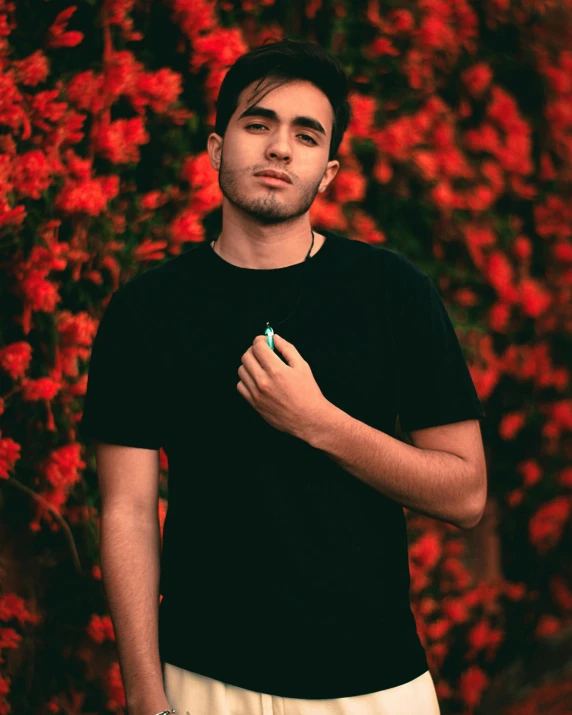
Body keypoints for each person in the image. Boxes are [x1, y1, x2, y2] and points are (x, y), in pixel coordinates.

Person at [79, 37, 487, 715]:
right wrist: (146, 695)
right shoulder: (146, 311)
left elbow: (466, 491)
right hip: (201, 677)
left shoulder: (393, 292)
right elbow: (126, 509)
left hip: (372, 684)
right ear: (216, 148)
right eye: (259, 123)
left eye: (305, 133)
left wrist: (318, 422)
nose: (278, 148)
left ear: (327, 172)